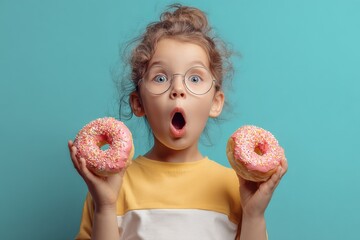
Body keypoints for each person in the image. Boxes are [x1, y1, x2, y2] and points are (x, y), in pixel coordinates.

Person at [68, 4, 287, 240]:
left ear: (215, 101)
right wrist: (106, 207)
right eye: (160, 77)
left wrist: (254, 215)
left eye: (195, 77)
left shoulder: (236, 187)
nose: (178, 89)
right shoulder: (110, 186)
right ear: (138, 103)